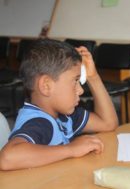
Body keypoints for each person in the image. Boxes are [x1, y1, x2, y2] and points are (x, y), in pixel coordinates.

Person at [0, 39, 118, 170]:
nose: (80, 90)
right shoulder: (39, 122)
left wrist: (93, 77)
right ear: (46, 86)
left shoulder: (65, 116)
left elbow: (108, 123)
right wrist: (70, 149)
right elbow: (7, 158)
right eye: (75, 80)